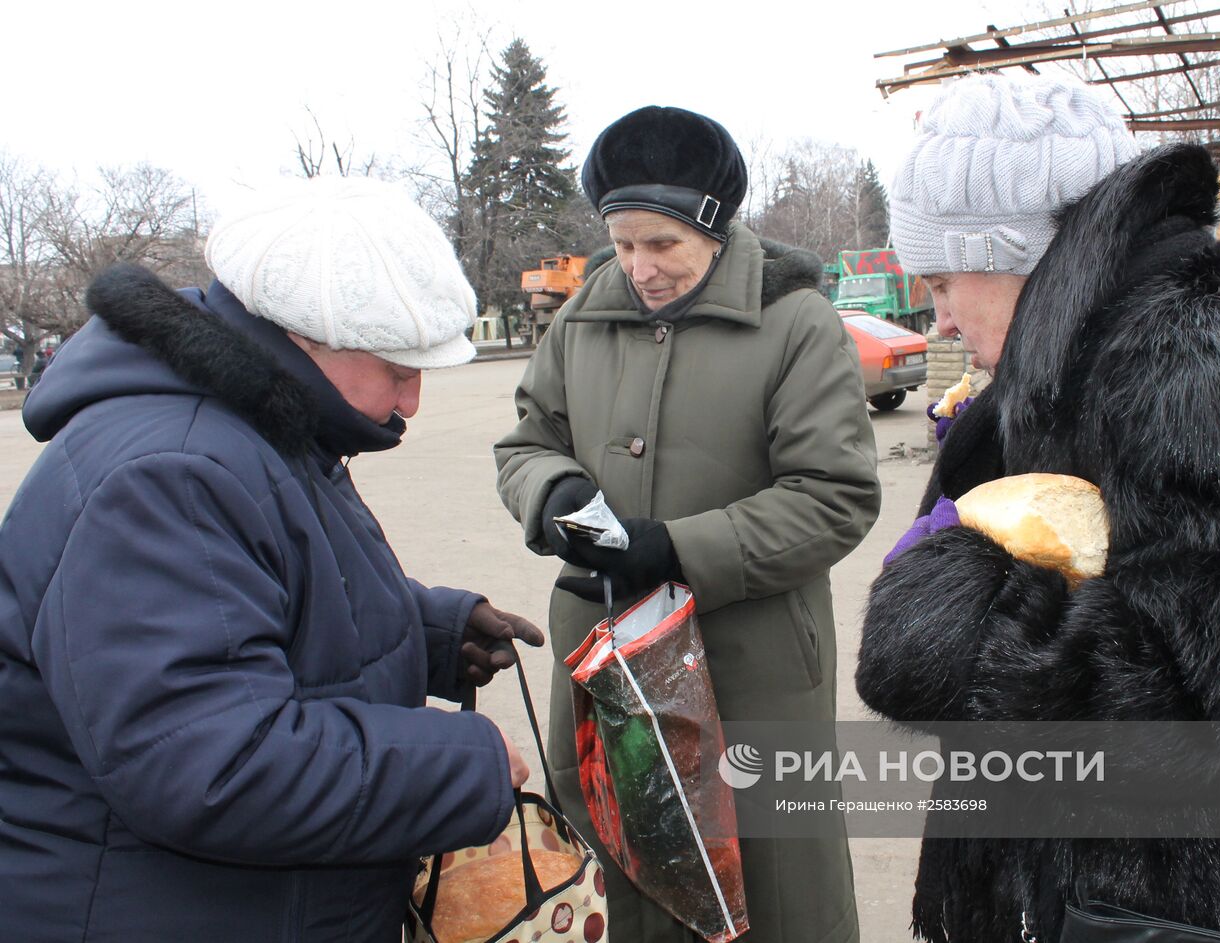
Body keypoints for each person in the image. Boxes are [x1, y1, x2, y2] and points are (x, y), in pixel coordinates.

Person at [855, 71, 1220, 942]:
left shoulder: (1204, 363)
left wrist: (950, 623)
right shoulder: (1072, 365)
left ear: (1015, 253)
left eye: (946, 281)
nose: (941, 321)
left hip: (1177, 907)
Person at [0, 176, 545, 942]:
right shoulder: (171, 472)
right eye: (398, 368)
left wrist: (428, 633)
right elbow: (209, 766)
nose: (414, 400)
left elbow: (256, 602)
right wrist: (461, 765)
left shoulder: (258, 424)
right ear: (303, 336)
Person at [495, 105, 881, 942]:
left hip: (751, 661)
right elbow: (526, 440)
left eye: (662, 244)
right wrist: (551, 489)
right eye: (625, 242)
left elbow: (835, 494)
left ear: (715, 228)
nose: (640, 268)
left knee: (769, 883)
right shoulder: (581, 317)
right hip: (606, 655)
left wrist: (676, 550)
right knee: (622, 871)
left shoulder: (795, 321)